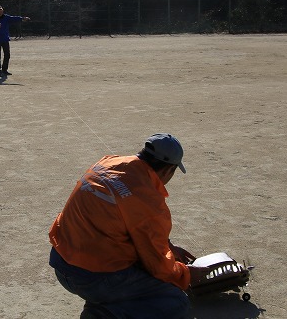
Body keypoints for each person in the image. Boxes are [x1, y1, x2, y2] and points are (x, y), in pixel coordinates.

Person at [48, 133, 207, 318]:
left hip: (61, 262)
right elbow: (158, 266)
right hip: (91, 279)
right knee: (175, 301)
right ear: (168, 170)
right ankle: (103, 313)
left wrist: (167, 246)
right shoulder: (149, 201)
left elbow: (123, 222)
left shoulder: (108, 162)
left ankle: (104, 302)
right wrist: (186, 274)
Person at [0, 5, 30, 77]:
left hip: (5, 39)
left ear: (2, 10)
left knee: (7, 55)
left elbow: (14, 18)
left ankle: (4, 70)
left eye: (0, 10)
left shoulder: (6, 17)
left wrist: (22, 18)